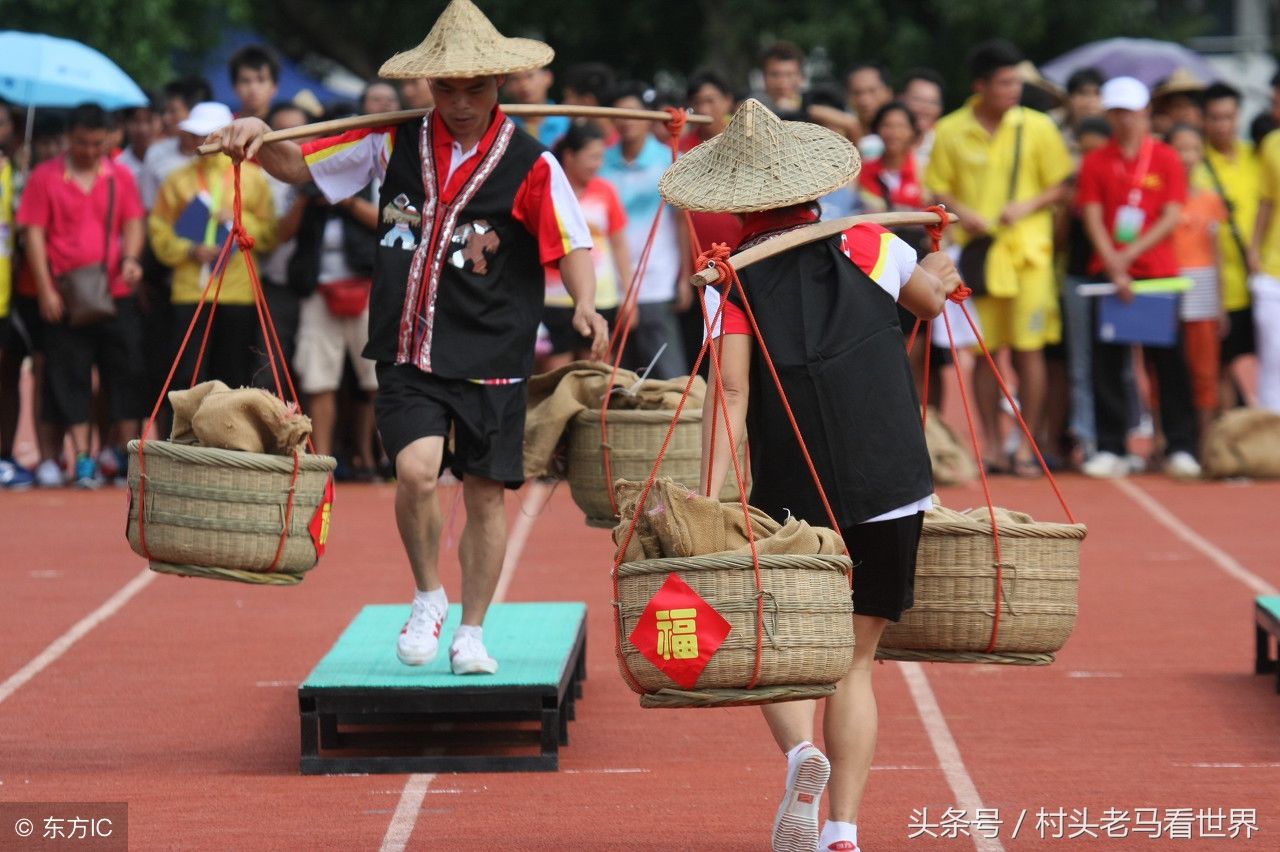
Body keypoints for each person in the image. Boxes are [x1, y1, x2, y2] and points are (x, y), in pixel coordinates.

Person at [208, 0, 608, 675]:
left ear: (499, 84)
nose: (458, 102)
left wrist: (589, 305)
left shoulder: (533, 163)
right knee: (416, 471)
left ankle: (473, 631)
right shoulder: (389, 139)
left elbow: (572, 242)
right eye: (445, 88)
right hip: (407, 343)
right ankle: (428, 595)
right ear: (426, 85)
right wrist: (257, 135)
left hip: (493, 350)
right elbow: (302, 169)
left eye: (474, 88)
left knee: (484, 492)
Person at [663, 97, 959, 852]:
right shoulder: (866, 242)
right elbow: (929, 303)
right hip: (890, 480)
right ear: (811, 185)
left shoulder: (729, 278)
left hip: (795, 495)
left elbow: (729, 393)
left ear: (735, 201)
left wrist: (710, 501)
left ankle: (801, 753)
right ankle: (842, 832)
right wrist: (938, 263)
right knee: (857, 661)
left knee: (781, 646)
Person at [926, 39, 1073, 477]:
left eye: (1016, 82)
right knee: (985, 352)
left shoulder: (1038, 126)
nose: (1013, 90)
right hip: (980, 258)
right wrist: (962, 211)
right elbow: (937, 186)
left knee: (1030, 351)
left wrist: (1026, 207)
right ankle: (991, 446)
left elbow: (1061, 184)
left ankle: (1026, 445)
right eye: (1005, 82)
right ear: (981, 86)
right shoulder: (951, 130)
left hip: (1029, 256)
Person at [16, 103, 147, 488]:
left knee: (124, 371)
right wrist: (44, 289)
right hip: (66, 293)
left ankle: (122, 454)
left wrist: (132, 259)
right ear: (69, 138)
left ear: (107, 138)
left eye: (95, 143)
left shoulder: (120, 176)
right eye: (81, 143)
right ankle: (82, 456)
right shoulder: (45, 177)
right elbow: (34, 234)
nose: (89, 150)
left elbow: (134, 222)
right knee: (67, 374)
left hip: (115, 291)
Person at [1077, 77, 1199, 479]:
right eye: (1116, 112)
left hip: (1156, 277)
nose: (1123, 119)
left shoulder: (1165, 158)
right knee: (1108, 365)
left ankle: (1180, 444)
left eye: (1130, 111)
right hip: (1110, 277)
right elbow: (1091, 212)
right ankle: (1112, 445)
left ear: (1145, 112)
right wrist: (1112, 260)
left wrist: (1129, 253)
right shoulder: (1097, 161)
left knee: (1168, 365)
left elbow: (1171, 215)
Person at [149, 102, 278, 389]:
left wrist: (238, 222)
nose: (200, 141)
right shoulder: (176, 180)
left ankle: (227, 435)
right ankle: (180, 436)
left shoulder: (253, 178)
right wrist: (188, 250)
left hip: (238, 293)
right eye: (195, 134)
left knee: (233, 378)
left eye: (208, 134)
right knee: (185, 379)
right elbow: (159, 231)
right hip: (188, 291)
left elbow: (269, 234)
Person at [601, 81, 690, 380]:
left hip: (657, 277)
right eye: (620, 114)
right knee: (616, 371)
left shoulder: (668, 159)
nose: (627, 121)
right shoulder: (600, 160)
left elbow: (682, 222)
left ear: (649, 116)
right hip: (609, 279)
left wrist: (684, 278)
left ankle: (676, 424)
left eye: (634, 113)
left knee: (666, 368)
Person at [541, 123, 627, 369]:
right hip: (553, 298)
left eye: (601, 157)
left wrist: (628, 292)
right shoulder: (549, 191)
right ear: (569, 156)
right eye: (592, 157)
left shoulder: (606, 191)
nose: (598, 164)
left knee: (596, 369)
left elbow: (619, 243)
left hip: (602, 295)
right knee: (556, 372)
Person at [1199, 82, 1259, 410]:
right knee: (1221, 366)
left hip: (1262, 280)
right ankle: (1228, 438)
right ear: (1203, 120)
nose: (1223, 125)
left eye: (1229, 117)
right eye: (1215, 118)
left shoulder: (1256, 157)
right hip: (1221, 287)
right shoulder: (1196, 164)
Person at [1166, 123, 1227, 439]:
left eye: (1192, 148)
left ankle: (1205, 441)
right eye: (1180, 148)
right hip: (1166, 289)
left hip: (1202, 290)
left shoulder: (1210, 200)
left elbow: (1217, 254)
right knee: (1163, 371)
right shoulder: (1161, 198)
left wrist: (1222, 304)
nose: (1186, 156)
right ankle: (1166, 441)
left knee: (1205, 371)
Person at [504, 65, 571, 147]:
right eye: (514, 79)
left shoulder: (569, 122)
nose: (523, 84)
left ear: (548, 77)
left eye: (530, 76)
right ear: (506, 86)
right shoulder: (504, 127)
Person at [899, 67, 945, 168]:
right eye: (917, 100)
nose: (924, 108)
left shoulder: (944, 145)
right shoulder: (878, 144)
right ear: (901, 100)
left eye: (932, 102)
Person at [845, 63, 893, 156]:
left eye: (872, 91)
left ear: (888, 93)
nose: (864, 101)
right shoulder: (839, 136)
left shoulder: (909, 134)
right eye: (857, 93)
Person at [756, 41, 807, 120]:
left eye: (789, 75)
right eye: (774, 74)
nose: (781, 81)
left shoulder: (815, 103)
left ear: (801, 77)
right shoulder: (751, 107)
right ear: (764, 77)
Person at [228, 45, 280, 121]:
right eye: (245, 81)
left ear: (274, 86)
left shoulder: (285, 126)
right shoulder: (224, 126)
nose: (253, 88)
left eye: (261, 80)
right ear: (235, 87)